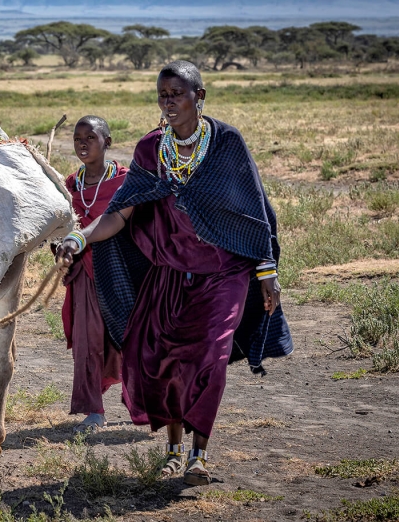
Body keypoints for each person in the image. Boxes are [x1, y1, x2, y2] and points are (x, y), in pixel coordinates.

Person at [56, 61, 292, 485]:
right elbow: (120, 215)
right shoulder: (151, 150)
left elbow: (254, 211)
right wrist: (80, 237)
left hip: (224, 273)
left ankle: (199, 455)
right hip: (169, 273)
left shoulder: (226, 143)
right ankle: (173, 449)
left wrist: (267, 271)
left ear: (199, 97)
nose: (168, 103)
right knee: (165, 362)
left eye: (177, 94)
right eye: (162, 95)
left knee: (210, 359)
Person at [61, 115, 128, 435]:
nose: (83, 144)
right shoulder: (69, 185)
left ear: (107, 142)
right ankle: (94, 410)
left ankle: (145, 401)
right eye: (77, 138)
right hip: (84, 274)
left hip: (122, 271)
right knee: (88, 341)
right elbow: (59, 225)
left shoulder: (125, 181)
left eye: (90, 137)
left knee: (128, 338)